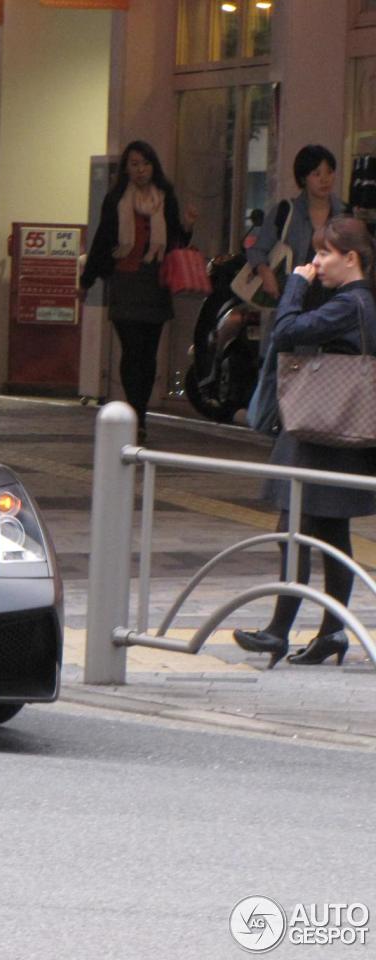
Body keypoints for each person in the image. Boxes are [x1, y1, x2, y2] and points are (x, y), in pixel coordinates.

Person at [234, 216, 376, 668]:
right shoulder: (358, 303)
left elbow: (287, 332)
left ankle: (280, 632)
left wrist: (295, 284)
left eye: (323, 254)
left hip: (324, 429)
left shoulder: (349, 304)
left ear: (350, 258)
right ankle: (329, 633)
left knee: (292, 530)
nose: (315, 262)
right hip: (337, 430)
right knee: (328, 532)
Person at [80, 141, 197, 444]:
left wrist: (188, 226)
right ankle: (135, 414)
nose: (140, 169)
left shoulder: (165, 198)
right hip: (125, 280)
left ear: (153, 166)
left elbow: (176, 241)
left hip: (155, 281)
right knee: (131, 351)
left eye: (145, 163)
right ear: (126, 168)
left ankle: (140, 414)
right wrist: (87, 279)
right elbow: (103, 239)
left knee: (148, 353)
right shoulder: (117, 198)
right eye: (134, 164)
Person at [246, 144, 347, 308]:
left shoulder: (344, 214)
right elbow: (257, 250)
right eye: (316, 174)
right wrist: (266, 273)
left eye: (329, 172)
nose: (325, 179)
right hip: (293, 301)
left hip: (335, 303)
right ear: (303, 178)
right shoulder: (285, 212)